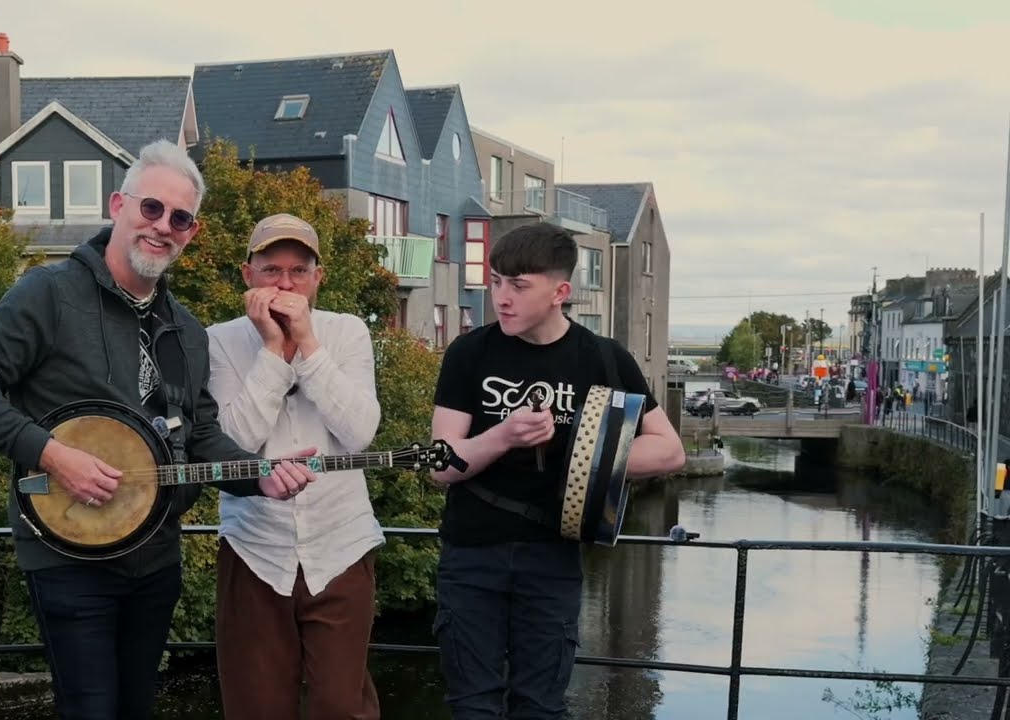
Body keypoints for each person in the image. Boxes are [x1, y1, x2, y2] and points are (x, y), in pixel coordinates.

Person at [0, 140, 318, 720]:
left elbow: (201, 435)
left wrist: (258, 476)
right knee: (90, 710)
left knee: (137, 707)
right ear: (119, 205)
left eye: (180, 218)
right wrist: (52, 455)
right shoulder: (49, 293)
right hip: (67, 560)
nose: (163, 226)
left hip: (157, 560)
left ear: (192, 231)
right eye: (152, 208)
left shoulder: (186, 330)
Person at [427, 222, 686, 719]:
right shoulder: (470, 353)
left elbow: (670, 452)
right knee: (472, 706)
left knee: (541, 708)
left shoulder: (604, 359)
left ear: (560, 292)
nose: (501, 297)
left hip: (553, 555)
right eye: (496, 281)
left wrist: (579, 451)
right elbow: (443, 465)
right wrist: (503, 436)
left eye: (519, 286)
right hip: (472, 551)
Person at [206, 213, 384, 719]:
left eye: (298, 271)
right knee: (256, 705)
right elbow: (232, 443)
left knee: (342, 705)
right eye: (271, 270)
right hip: (254, 547)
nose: (285, 284)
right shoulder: (217, 340)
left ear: (317, 279)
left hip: (341, 543)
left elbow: (359, 433)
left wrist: (306, 345)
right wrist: (271, 351)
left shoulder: (346, 333)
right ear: (247, 275)